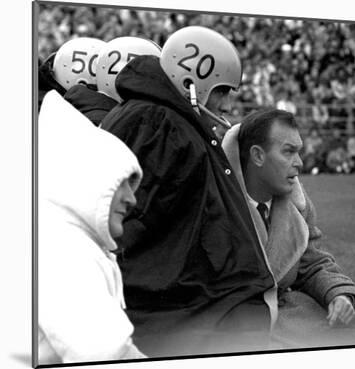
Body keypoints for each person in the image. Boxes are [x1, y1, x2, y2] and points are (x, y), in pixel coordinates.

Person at [99, 26, 276, 357]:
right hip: (177, 304)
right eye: (222, 90)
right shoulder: (158, 123)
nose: (225, 103)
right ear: (193, 81)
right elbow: (135, 227)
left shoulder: (162, 118)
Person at [222, 108, 355, 348]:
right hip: (240, 327)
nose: (300, 163)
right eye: (289, 152)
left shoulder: (297, 207)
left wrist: (337, 293)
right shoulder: (216, 209)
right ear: (258, 156)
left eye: (298, 152)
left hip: (291, 313)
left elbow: (311, 263)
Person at [37, 90, 146, 364]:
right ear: (89, 179)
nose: (132, 199)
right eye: (121, 183)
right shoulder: (63, 248)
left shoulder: (61, 236)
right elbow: (104, 353)